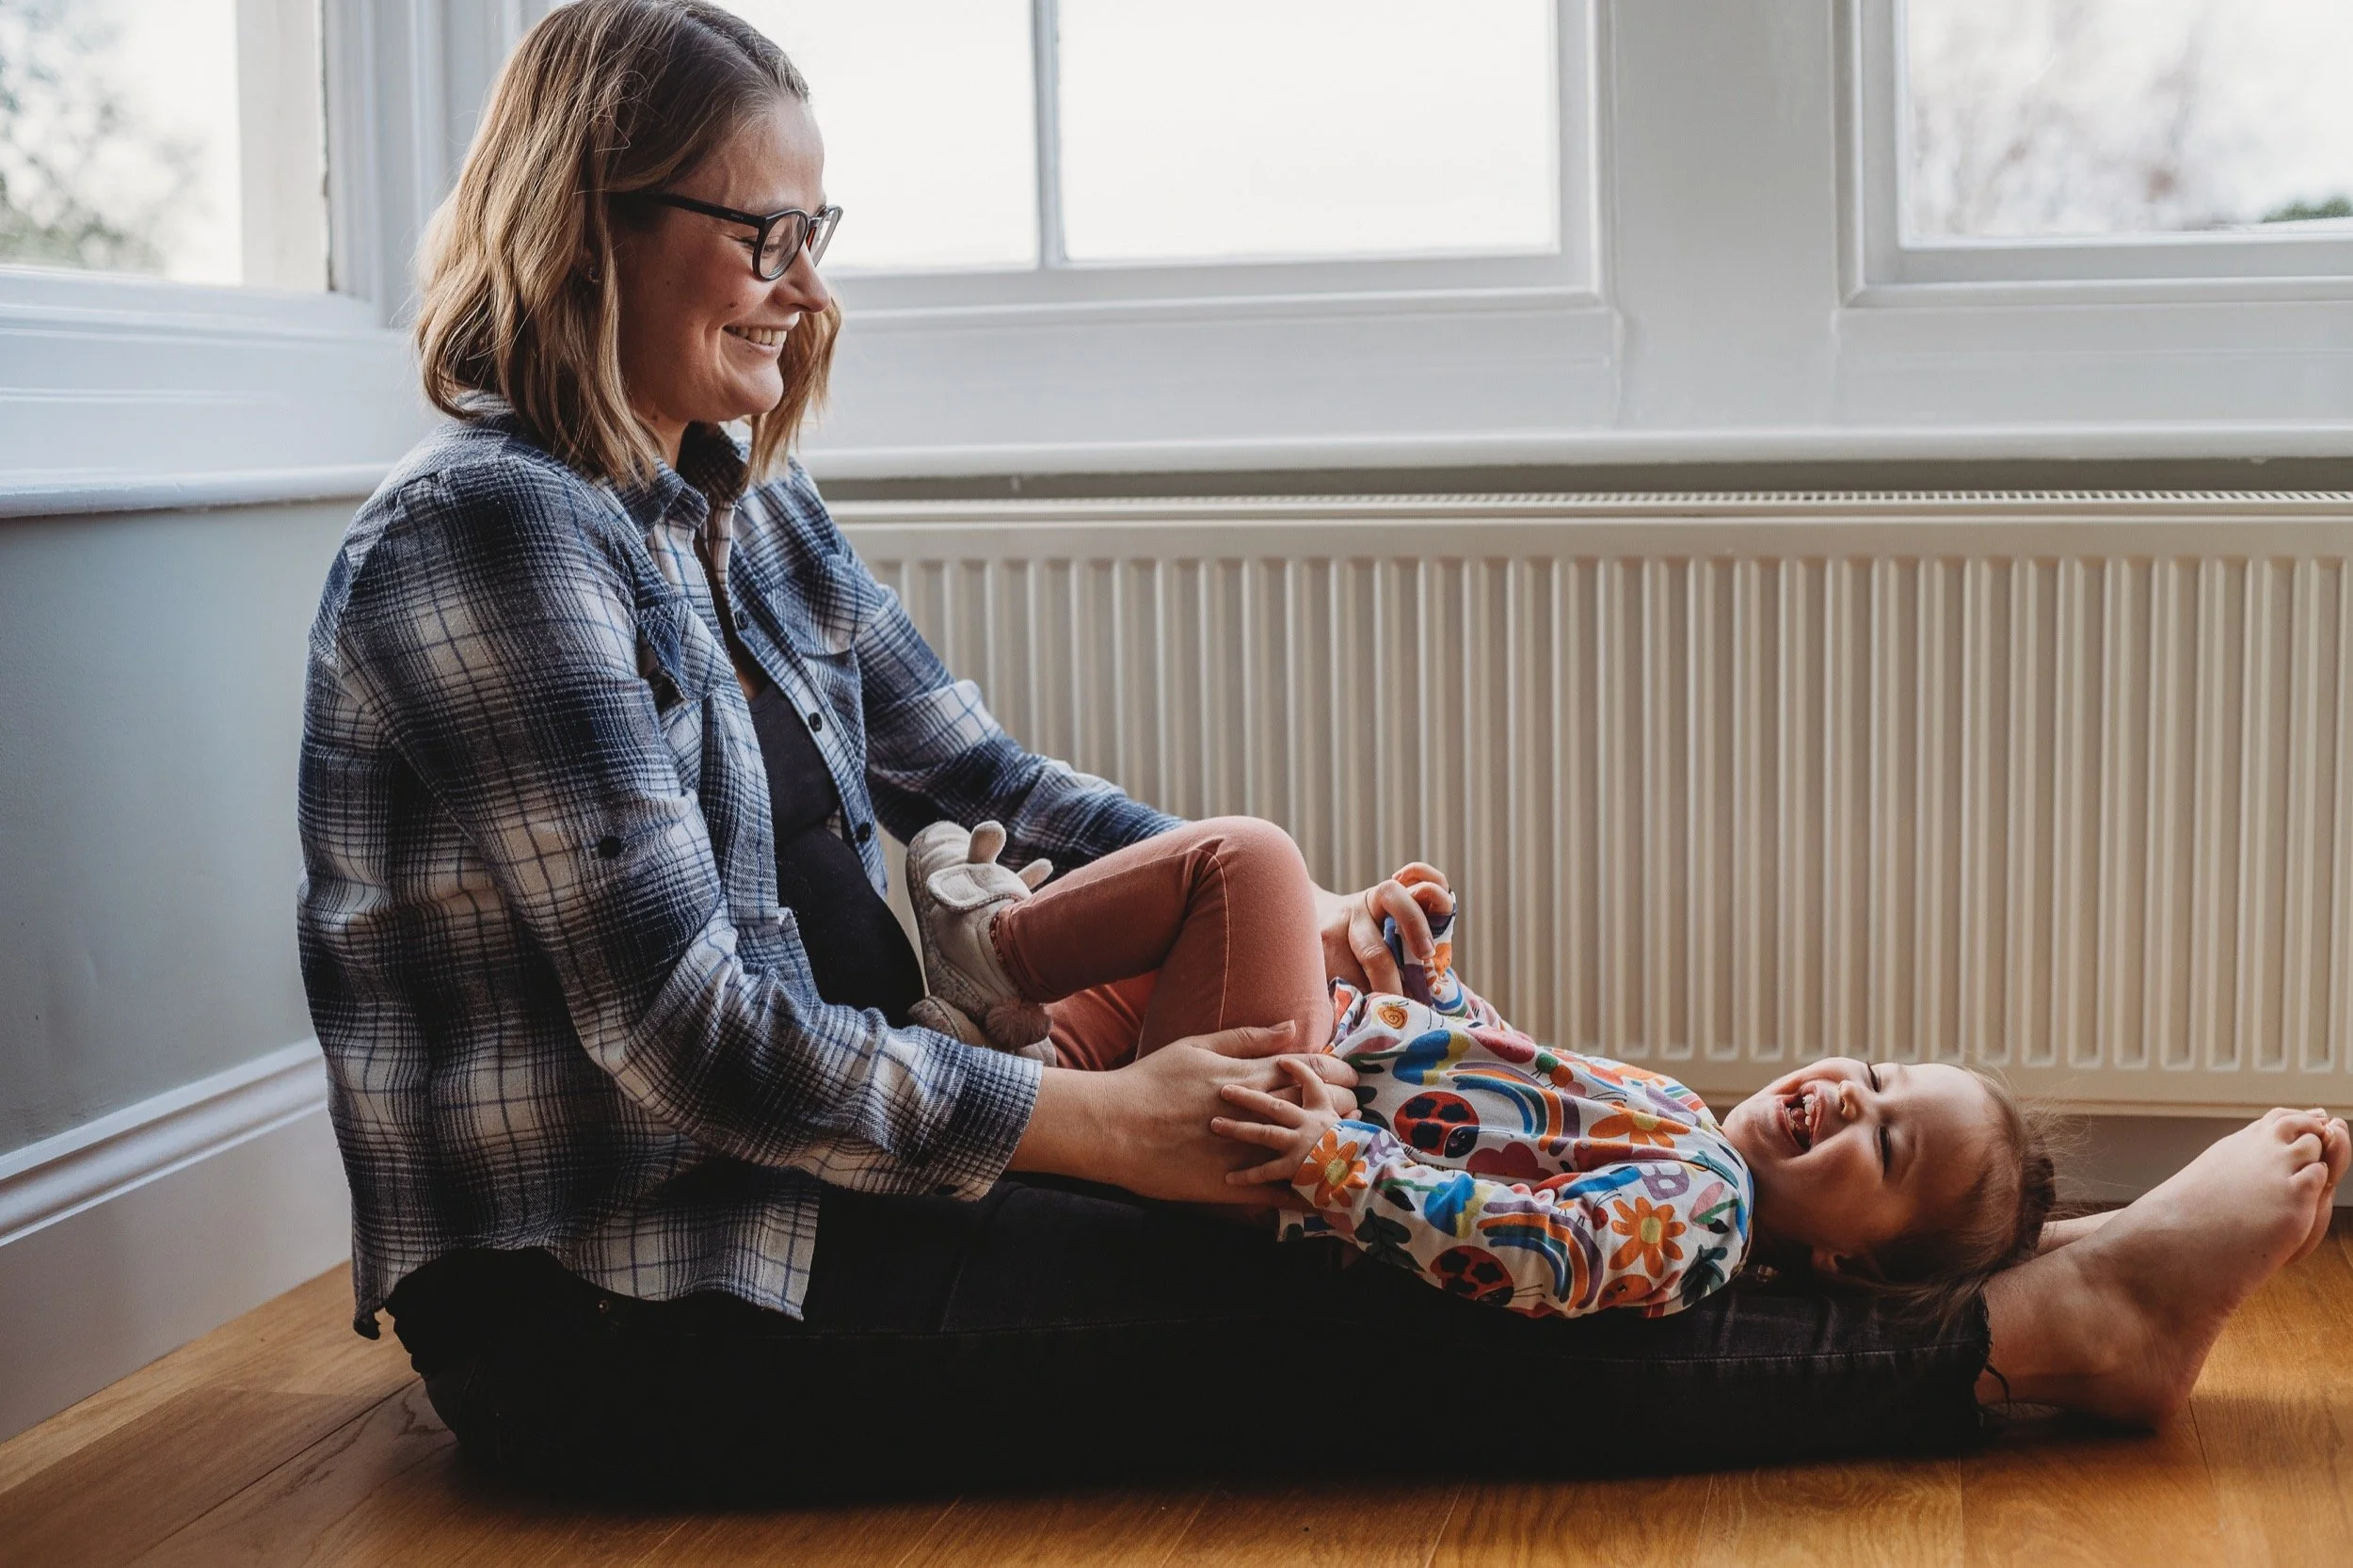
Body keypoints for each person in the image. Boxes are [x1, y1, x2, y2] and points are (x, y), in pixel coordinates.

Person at [295, 0, 2350, 1504]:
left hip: (863, 1172)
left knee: (1330, 1190)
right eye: (763, 233)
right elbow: (692, 1040)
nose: (806, 282)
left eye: (821, 228)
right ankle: (2012, 1335)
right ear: (590, 220)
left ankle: (2016, 1270)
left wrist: (1277, 903)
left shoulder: (735, 501)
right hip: (642, 1299)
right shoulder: (492, 538)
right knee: (1381, 1294)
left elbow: (983, 783)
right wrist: (1114, 1128)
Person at [904, 815, 2059, 1324]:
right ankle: (1031, 1044)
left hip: (1275, 1158)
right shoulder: (1681, 1122)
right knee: (1304, 929)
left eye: (1887, 1140)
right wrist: (1427, 983)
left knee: (1250, 861)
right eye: (1879, 1070)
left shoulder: (1700, 1220)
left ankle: (992, 953)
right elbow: (1497, 1088)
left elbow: (1522, 1246)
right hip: (1317, 1099)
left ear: (1840, 1258)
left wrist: (1337, 1163)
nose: (1854, 1093)